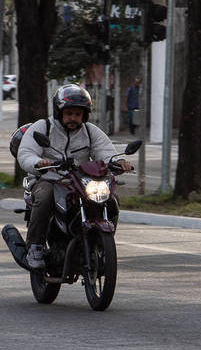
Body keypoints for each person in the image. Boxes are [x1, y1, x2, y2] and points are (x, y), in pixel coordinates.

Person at [16, 84, 132, 268]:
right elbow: (26, 153)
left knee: (110, 199)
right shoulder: (43, 127)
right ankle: (35, 246)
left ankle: (102, 243)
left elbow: (105, 152)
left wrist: (118, 163)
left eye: (78, 114)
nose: (73, 118)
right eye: (69, 113)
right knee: (45, 197)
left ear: (84, 115)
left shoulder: (90, 131)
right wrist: (38, 163)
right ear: (59, 112)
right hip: (49, 179)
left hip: (80, 181)